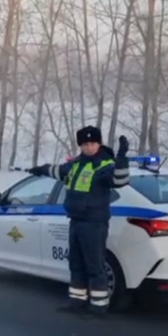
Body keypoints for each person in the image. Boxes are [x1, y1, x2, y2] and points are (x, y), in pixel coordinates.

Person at [27, 126, 130, 317]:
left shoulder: (105, 164)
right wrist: (41, 169)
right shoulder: (77, 163)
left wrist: (122, 157)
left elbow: (120, 181)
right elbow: (59, 171)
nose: (89, 147)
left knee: (94, 264)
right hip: (76, 219)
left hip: (94, 221)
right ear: (80, 145)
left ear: (99, 143)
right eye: (85, 144)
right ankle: (77, 300)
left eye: (92, 143)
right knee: (76, 262)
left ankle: (99, 305)